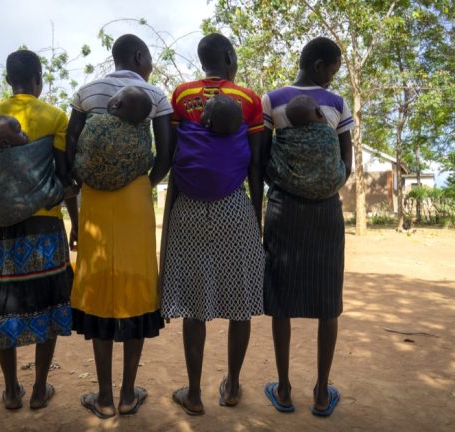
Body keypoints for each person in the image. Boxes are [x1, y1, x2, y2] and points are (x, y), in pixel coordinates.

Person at [66, 34, 172, 419]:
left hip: (93, 199)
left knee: (98, 289)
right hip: (134, 199)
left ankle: (105, 397)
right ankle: (129, 394)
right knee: (134, 286)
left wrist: (83, 181)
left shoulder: (86, 92)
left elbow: (71, 145)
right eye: (150, 59)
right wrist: (142, 180)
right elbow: (166, 151)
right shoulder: (155, 95)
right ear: (139, 56)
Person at [160, 33, 266, 416]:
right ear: (229, 57)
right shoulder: (249, 100)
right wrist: (256, 218)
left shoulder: (180, 95)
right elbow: (255, 164)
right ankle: (233, 386)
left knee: (193, 302)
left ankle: (193, 393)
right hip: (234, 207)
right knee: (240, 302)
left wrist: (170, 214)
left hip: (188, 208)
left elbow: (173, 157)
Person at [0, 49, 75, 410]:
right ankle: (41, 388)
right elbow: (62, 173)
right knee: (48, 300)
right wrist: (72, 216)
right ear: (39, 79)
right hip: (45, 224)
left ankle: (12, 390)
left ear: (9, 80)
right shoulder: (55, 116)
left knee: (2, 304)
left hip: (2, 229)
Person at [261, 37, 354, 417]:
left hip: (284, 208)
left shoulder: (271, 100)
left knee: (281, 296)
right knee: (327, 298)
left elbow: (261, 158)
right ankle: (320, 392)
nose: (334, 77)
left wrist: (289, 179)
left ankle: (283, 389)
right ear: (319, 65)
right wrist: (322, 181)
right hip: (325, 212)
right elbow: (344, 161)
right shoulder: (337, 104)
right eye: (334, 69)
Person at [0, 115, 78, 227]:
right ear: (5, 143)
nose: (24, 132)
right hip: (41, 223)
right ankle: (60, 193)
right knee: (46, 192)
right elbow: (46, 147)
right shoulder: (55, 119)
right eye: (19, 131)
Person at [73, 86, 155, 190]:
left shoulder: (96, 122)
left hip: (91, 181)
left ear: (116, 104)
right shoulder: (143, 131)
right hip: (126, 185)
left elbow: (81, 145)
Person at [266, 94, 347, 200]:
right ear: (319, 112)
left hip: (289, 194)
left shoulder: (284, 136)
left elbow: (271, 152)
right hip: (329, 193)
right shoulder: (330, 134)